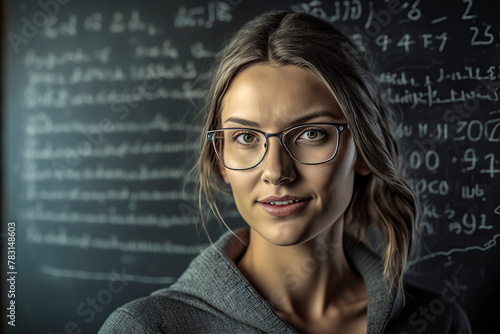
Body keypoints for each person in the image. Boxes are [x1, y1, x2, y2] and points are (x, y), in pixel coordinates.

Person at [99, 11, 471, 334]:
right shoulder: (146, 328)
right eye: (245, 136)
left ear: (363, 151)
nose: (276, 171)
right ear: (219, 159)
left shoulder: (438, 323)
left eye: (312, 134)